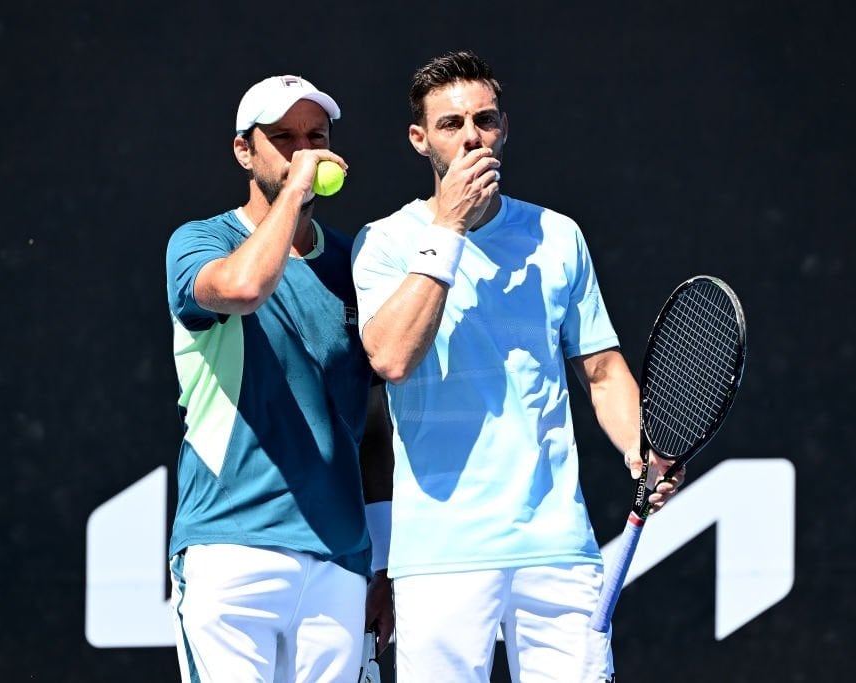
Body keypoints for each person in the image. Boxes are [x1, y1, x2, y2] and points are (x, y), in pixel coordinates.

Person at [350, 51, 683, 682]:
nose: (472, 136)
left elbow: (605, 372)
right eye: (451, 124)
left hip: (557, 548)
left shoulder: (557, 236)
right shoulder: (385, 242)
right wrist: (447, 228)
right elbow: (391, 357)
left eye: (485, 119)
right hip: (441, 555)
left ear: (504, 127)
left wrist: (646, 450)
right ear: (420, 139)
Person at [164, 74, 393, 683]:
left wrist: (381, 562)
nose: (303, 152)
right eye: (284, 138)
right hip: (229, 546)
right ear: (244, 150)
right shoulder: (200, 242)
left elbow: (374, 426)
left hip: (341, 559)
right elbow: (242, 288)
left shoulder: (357, 262)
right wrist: (294, 192)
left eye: (315, 137)